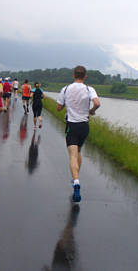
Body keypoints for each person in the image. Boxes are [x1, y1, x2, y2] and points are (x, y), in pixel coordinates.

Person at [56, 66, 100, 202]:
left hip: (72, 126)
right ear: (85, 76)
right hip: (84, 126)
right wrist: (91, 111)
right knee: (79, 151)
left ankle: (76, 181)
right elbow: (97, 103)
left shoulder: (66, 89)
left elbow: (58, 108)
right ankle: (76, 178)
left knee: (73, 155)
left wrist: (65, 105)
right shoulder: (89, 89)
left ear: (74, 75)